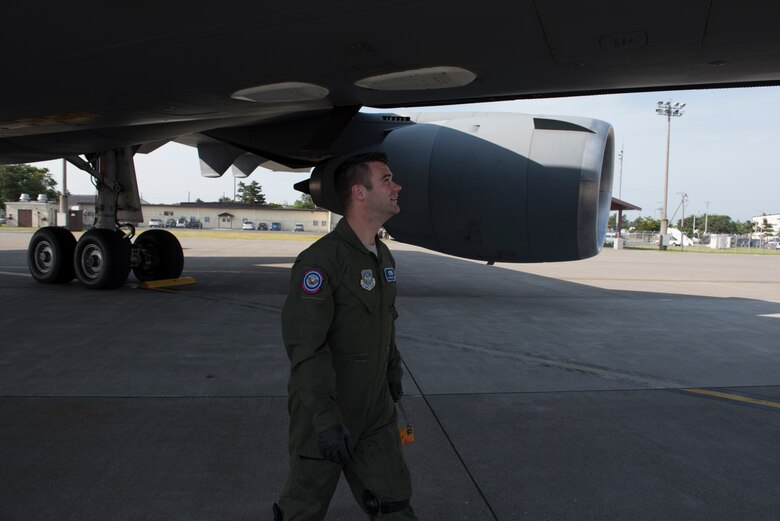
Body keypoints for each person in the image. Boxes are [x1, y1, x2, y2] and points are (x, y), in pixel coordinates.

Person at [273, 152, 417, 520]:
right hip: (328, 413)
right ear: (359, 192)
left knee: (394, 502)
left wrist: (393, 378)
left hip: (376, 410)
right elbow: (306, 347)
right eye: (386, 179)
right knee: (302, 509)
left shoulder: (382, 257)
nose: (397, 186)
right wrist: (326, 419)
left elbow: (387, 324)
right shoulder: (320, 262)